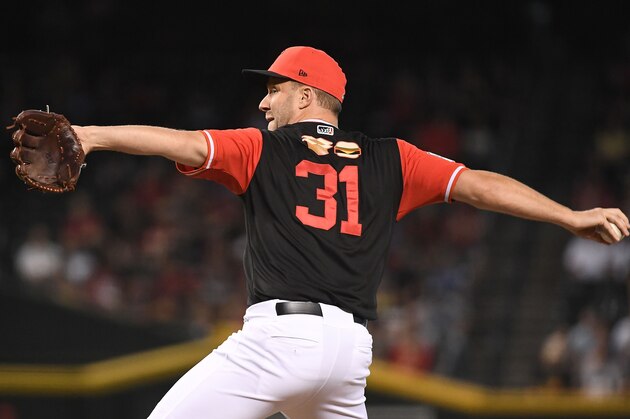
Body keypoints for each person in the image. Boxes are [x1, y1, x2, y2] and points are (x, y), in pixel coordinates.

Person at [68, 46, 628, 418]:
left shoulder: (260, 147)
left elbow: (185, 143)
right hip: (349, 354)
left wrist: (91, 134)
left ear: (306, 96)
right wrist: (568, 217)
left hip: (280, 340)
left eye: (276, 89)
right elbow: (478, 183)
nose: (264, 101)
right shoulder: (393, 159)